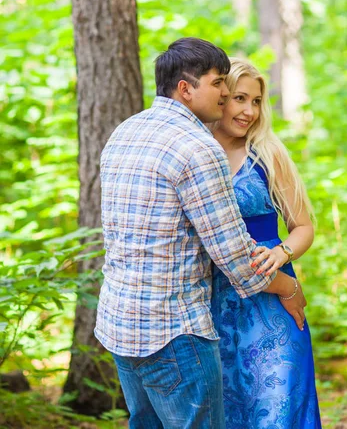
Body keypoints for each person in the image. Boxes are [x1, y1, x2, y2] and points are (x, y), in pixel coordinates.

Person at [95, 38, 306, 429]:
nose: (225, 94)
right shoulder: (197, 148)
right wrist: (289, 289)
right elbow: (238, 261)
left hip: (119, 324)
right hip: (175, 331)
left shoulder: (126, 132)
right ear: (186, 88)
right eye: (218, 83)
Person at [211, 58, 322, 428]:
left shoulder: (268, 153)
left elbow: (303, 226)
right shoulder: (195, 151)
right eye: (240, 98)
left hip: (273, 303)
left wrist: (282, 251)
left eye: (256, 101)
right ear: (220, 97)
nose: (249, 111)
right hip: (211, 303)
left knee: (278, 409)